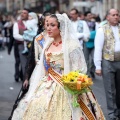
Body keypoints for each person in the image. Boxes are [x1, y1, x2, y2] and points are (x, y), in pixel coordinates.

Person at [16, 13, 104, 120]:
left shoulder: (71, 45)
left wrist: (74, 84)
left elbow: (80, 69)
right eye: (47, 25)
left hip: (68, 84)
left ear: (61, 26)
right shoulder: (47, 45)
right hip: (48, 84)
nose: (48, 28)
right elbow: (43, 68)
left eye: (52, 25)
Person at [10, 13, 51, 120]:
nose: (49, 26)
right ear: (42, 24)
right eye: (46, 23)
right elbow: (31, 59)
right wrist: (27, 78)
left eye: (52, 24)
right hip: (39, 73)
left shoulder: (60, 39)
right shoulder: (38, 38)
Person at [94, 9, 120, 120]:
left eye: (117, 15)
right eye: (113, 15)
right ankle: (112, 113)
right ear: (108, 17)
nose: (116, 17)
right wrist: (98, 66)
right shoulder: (101, 30)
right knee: (110, 90)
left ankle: (118, 111)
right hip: (107, 61)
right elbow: (98, 48)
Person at [13, 8, 30, 82]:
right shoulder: (17, 24)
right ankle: (24, 80)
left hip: (31, 45)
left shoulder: (31, 22)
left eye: (25, 13)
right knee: (23, 63)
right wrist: (25, 38)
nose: (22, 14)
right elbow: (15, 35)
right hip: (21, 45)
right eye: (22, 13)